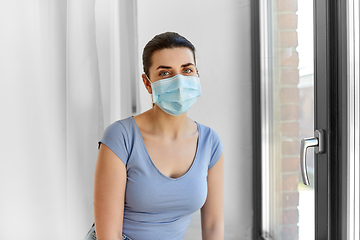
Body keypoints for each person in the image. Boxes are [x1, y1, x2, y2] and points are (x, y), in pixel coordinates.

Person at [89, 32, 224, 240]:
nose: (179, 81)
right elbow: (108, 236)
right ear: (147, 82)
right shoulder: (121, 137)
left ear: (197, 75)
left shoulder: (210, 143)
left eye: (186, 70)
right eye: (165, 73)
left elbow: (213, 226)